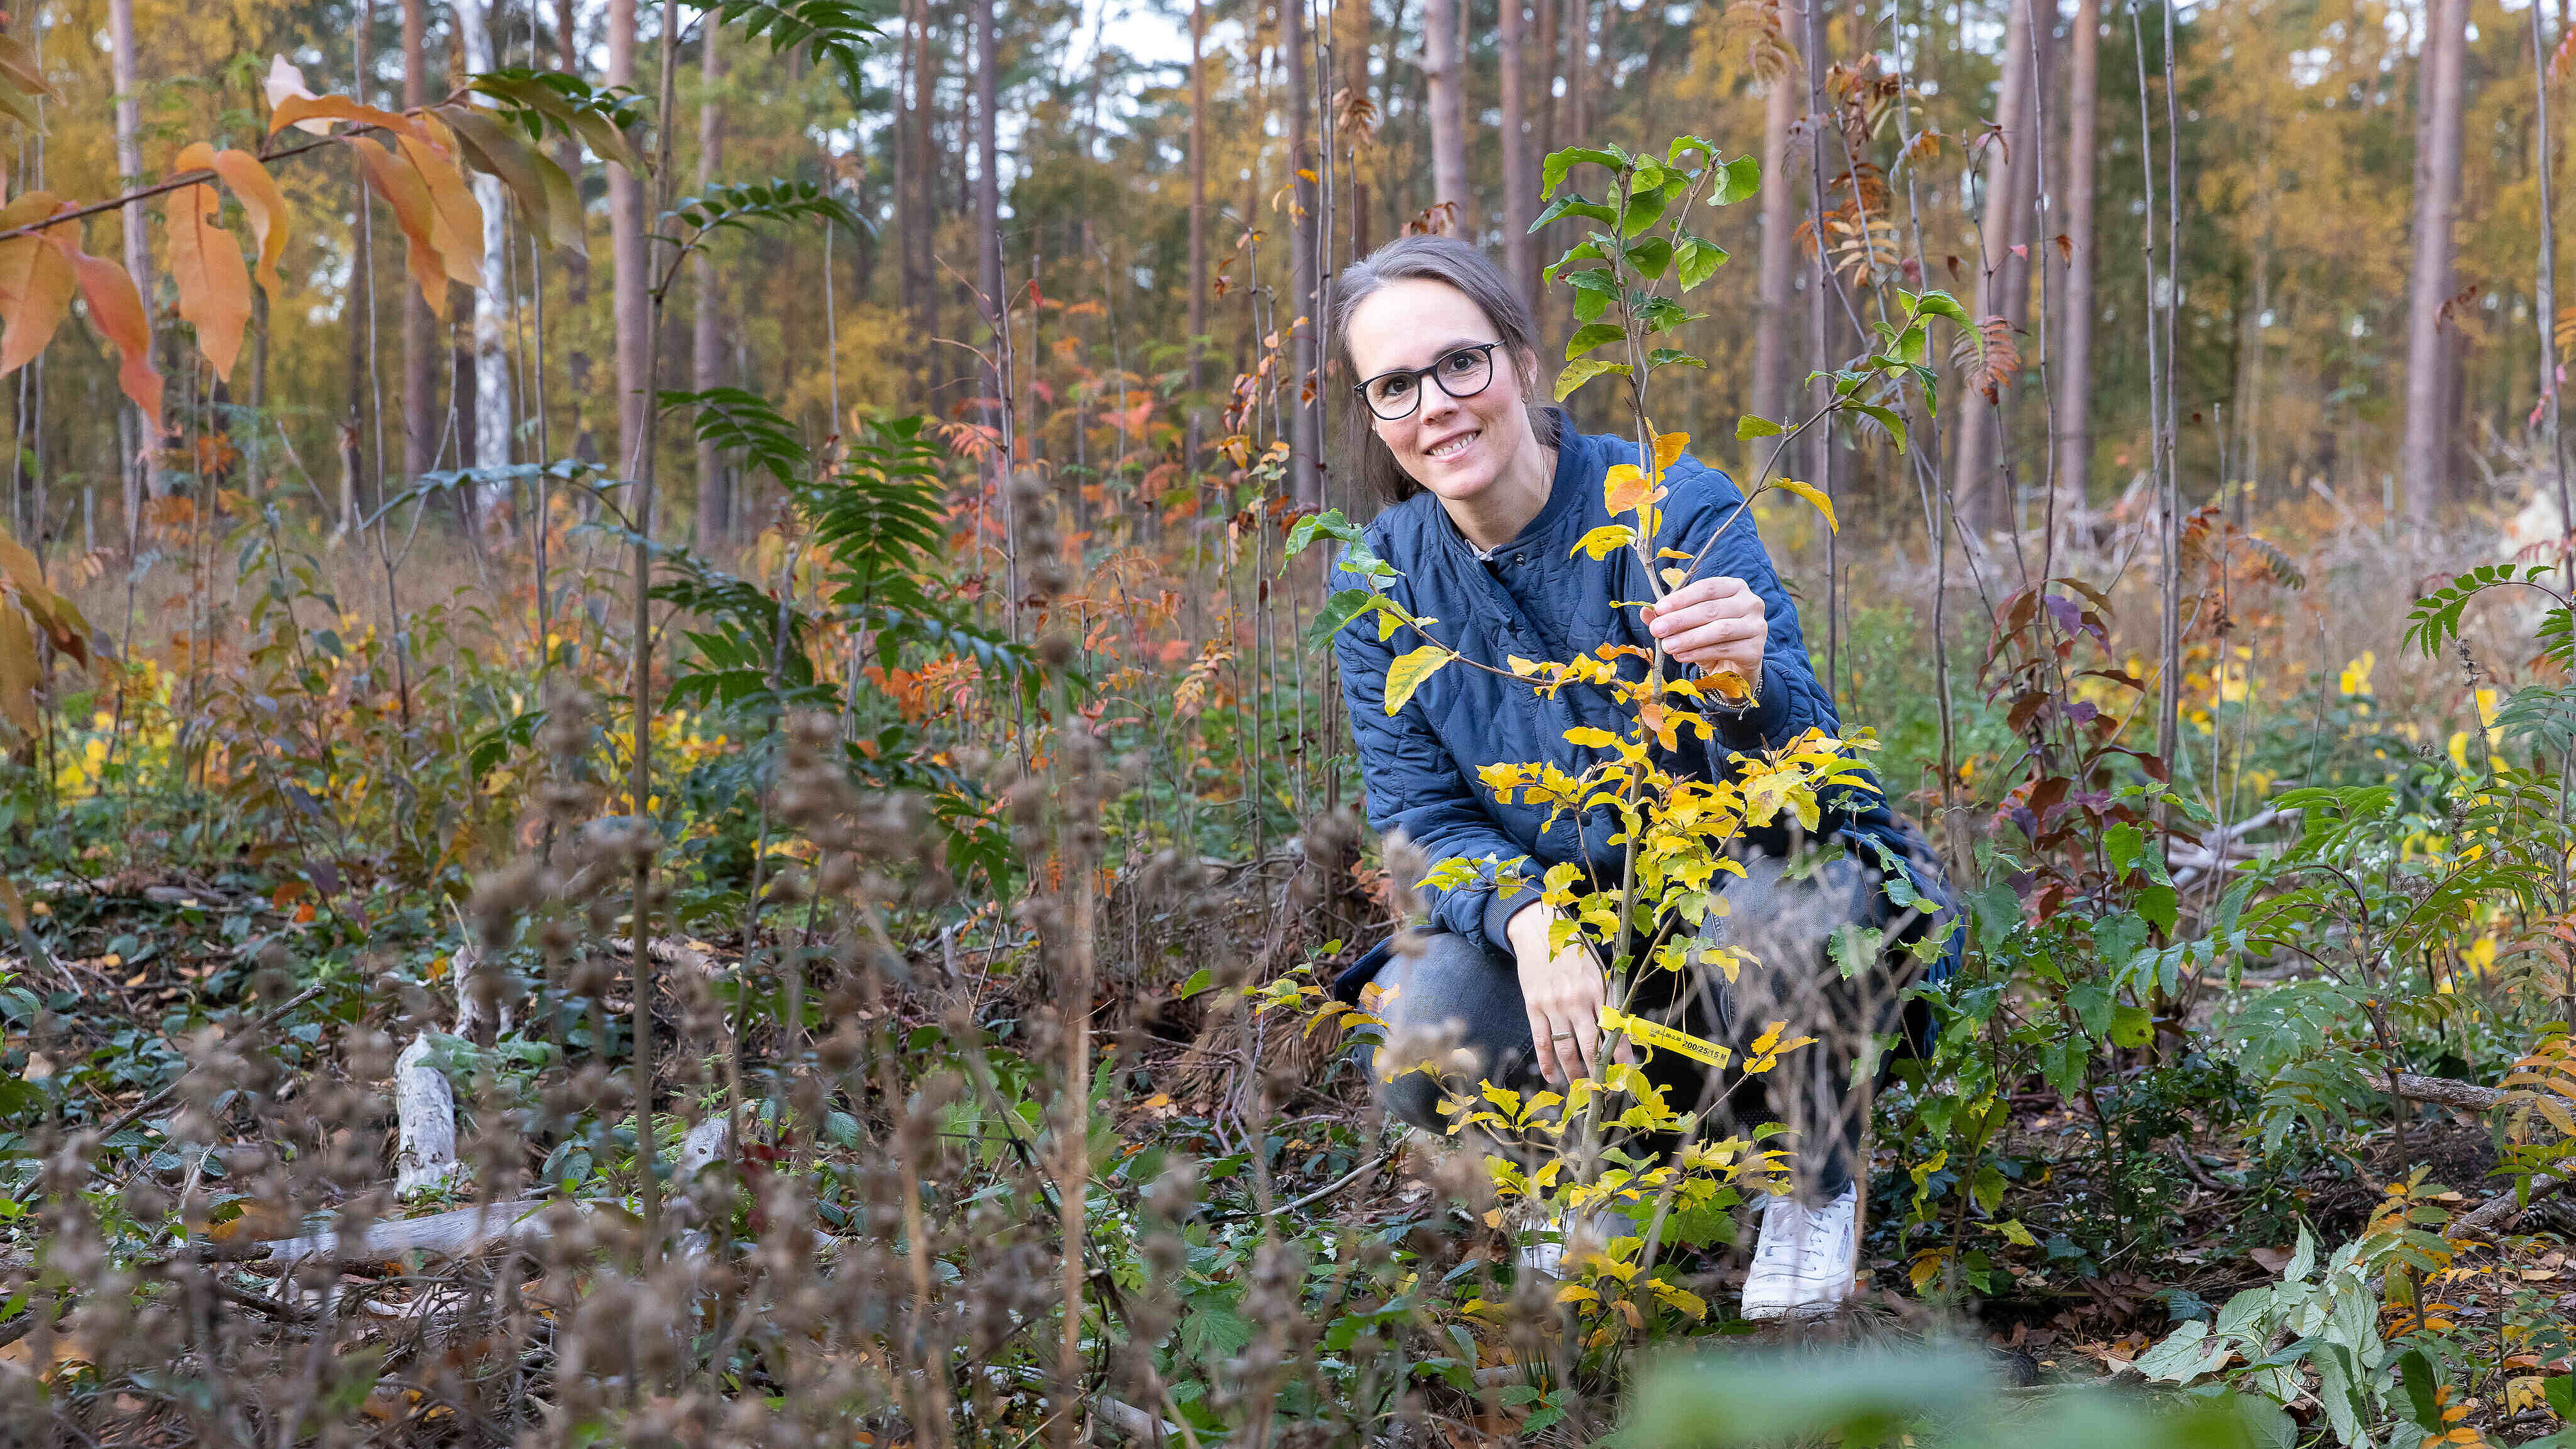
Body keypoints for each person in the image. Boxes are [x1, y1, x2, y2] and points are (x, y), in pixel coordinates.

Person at [1319, 234, 1957, 1321]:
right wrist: (1528, 917)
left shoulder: (1668, 505)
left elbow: (1816, 779)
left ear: (1521, 361)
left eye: (1460, 363)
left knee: (1793, 916)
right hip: (1572, 944)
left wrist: (1748, 687)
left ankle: (1812, 1177)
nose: (1436, 404)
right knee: (1423, 1028)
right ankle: (1587, 1172)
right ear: (1375, 416)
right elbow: (1419, 821)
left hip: (1733, 897)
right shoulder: (1379, 579)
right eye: (1395, 385)